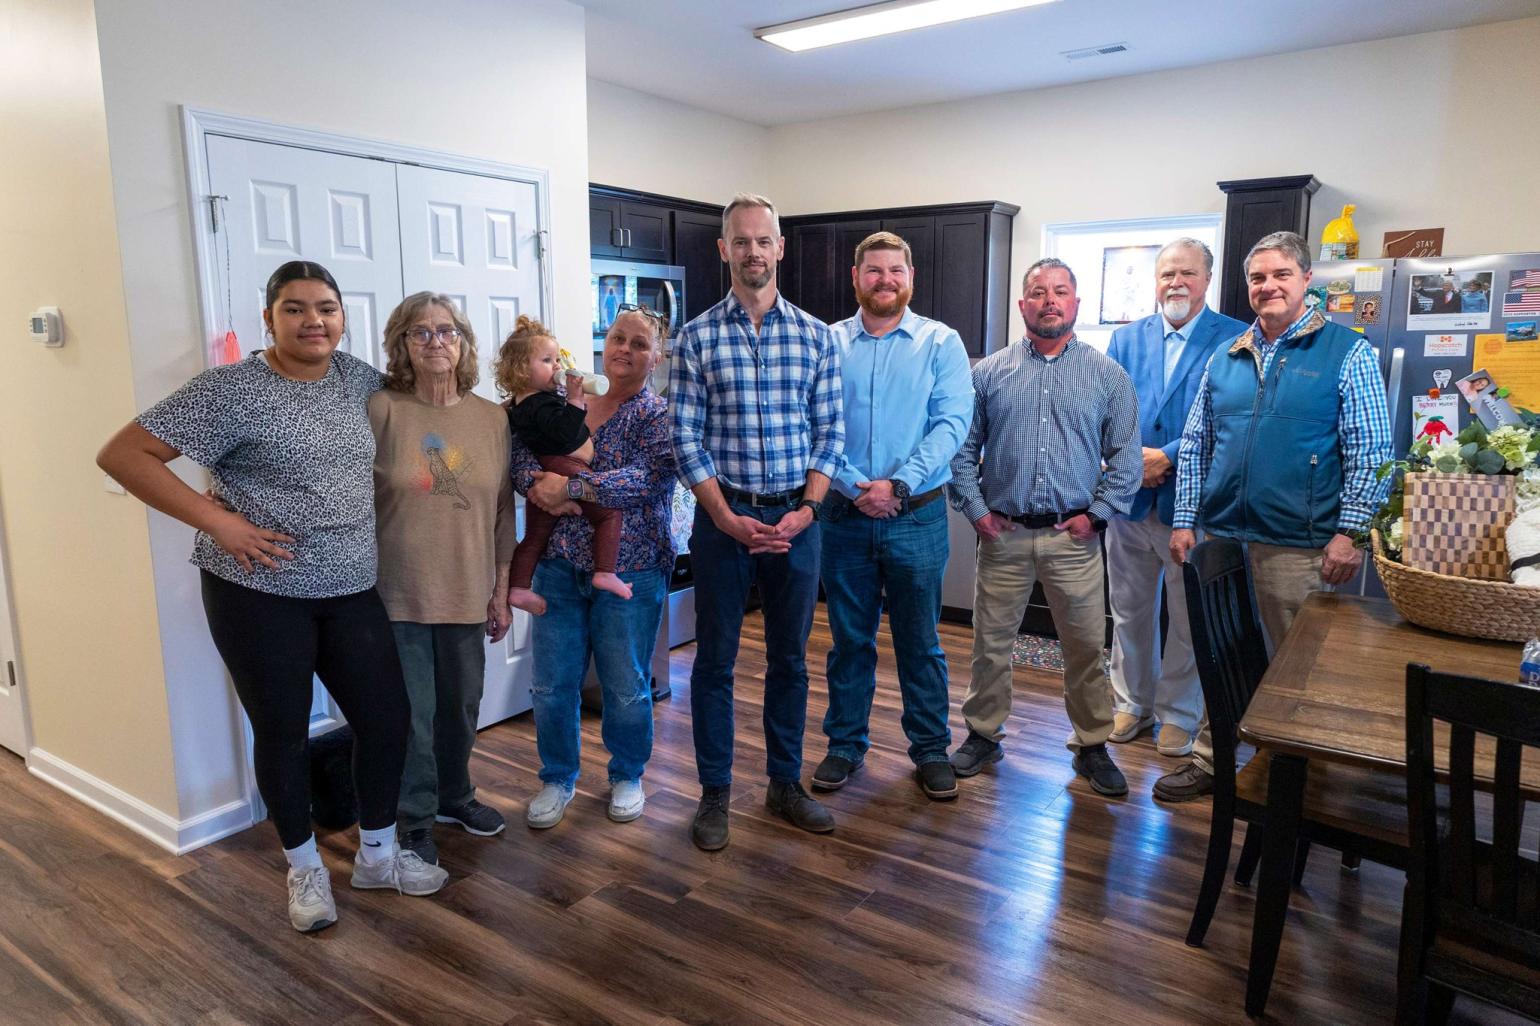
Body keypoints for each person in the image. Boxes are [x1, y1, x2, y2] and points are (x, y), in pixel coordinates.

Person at [96, 260, 446, 934]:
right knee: (282, 732)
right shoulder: (228, 391)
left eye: (326, 308)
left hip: (351, 587)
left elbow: (437, 416)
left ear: (344, 318)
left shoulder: (363, 383)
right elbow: (124, 455)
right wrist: (220, 523)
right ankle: (305, 866)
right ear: (269, 318)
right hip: (259, 592)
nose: (313, 321)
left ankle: (377, 853)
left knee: (387, 719)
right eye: (295, 308)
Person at [1156, 231, 1392, 802]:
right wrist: (1186, 520)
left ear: (1306, 280)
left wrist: (1351, 532)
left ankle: (1297, 774)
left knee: (1298, 666)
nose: (1268, 287)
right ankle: (1213, 759)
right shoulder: (1226, 356)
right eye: (1258, 278)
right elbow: (1197, 444)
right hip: (1224, 539)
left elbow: (1374, 452)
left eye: (1281, 275)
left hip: (1302, 544)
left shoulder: (1347, 352)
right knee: (1224, 654)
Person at [670, 192, 844, 850]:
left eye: (761, 240)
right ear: (724, 250)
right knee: (713, 662)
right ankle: (714, 792)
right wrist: (727, 516)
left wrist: (805, 512)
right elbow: (687, 442)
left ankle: (784, 781)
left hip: (797, 521)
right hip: (723, 523)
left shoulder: (815, 337)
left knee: (790, 662)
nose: (752, 251)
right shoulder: (694, 338)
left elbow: (830, 436)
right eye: (739, 241)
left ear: (780, 248)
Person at [947, 258, 1141, 797]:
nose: (1049, 300)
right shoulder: (987, 373)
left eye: (1060, 292)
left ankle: (1092, 744)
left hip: (1072, 538)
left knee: (1084, 647)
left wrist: (1098, 515)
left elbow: (1126, 457)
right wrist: (978, 512)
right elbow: (961, 451)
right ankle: (983, 734)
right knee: (990, 644)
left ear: (1075, 303)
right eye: (1038, 292)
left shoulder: (1106, 375)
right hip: (1003, 535)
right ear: (1022, 304)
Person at [814, 231, 973, 801]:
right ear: (856, 278)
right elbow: (818, 427)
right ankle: (844, 745)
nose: (885, 280)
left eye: (895, 271)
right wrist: (860, 486)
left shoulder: (941, 343)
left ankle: (930, 749)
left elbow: (951, 425)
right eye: (874, 271)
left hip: (918, 515)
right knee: (849, 640)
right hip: (843, 514)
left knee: (920, 641)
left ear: (911, 279)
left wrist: (897, 484)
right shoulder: (826, 343)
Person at [503, 307, 675, 829]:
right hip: (557, 563)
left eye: (639, 344)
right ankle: (557, 778)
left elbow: (649, 479)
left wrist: (571, 487)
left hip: (633, 568)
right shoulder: (559, 403)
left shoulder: (657, 414)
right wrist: (535, 482)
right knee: (552, 682)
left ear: (656, 357)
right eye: (618, 338)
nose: (624, 349)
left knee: (625, 682)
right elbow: (516, 452)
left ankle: (627, 773)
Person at [369, 292, 516, 867]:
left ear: (464, 342)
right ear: (402, 344)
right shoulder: (383, 410)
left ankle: (457, 797)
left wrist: (500, 591)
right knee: (414, 717)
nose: (436, 342)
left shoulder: (493, 418)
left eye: (447, 331)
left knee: (461, 709)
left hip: (467, 591)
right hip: (396, 593)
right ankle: (414, 818)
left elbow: (504, 509)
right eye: (421, 332)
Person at [1103, 240, 1247, 759]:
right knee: (1128, 611)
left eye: (1187, 273)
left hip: (1191, 508)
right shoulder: (1125, 338)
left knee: (1189, 619)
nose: (1175, 283)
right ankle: (1130, 704)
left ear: (1208, 279)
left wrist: (1164, 455)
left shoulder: (1235, 338)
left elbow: (1231, 423)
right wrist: (1126, 462)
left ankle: (1178, 716)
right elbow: (1108, 412)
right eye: (1167, 274)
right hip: (1129, 502)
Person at [504, 319, 631, 613]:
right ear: (523, 370)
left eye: (557, 358)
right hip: (565, 465)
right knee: (608, 515)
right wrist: (575, 399)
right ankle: (605, 572)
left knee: (536, 535)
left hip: (551, 468)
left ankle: (520, 588)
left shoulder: (522, 403)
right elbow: (564, 432)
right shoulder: (541, 403)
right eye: (547, 360)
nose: (557, 366)